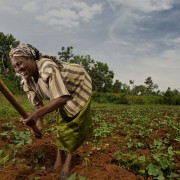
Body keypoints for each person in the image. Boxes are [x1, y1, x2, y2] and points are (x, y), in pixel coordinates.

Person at [9, 43, 93, 180]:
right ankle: (58, 161)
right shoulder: (27, 81)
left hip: (79, 85)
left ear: (31, 58)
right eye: (15, 66)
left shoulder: (47, 67)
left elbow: (62, 98)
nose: (18, 68)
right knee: (61, 123)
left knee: (73, 125)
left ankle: (67, 162)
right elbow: (39, 105)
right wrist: (38, 125)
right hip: (62, 94)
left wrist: (36, 115)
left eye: (20, 63)